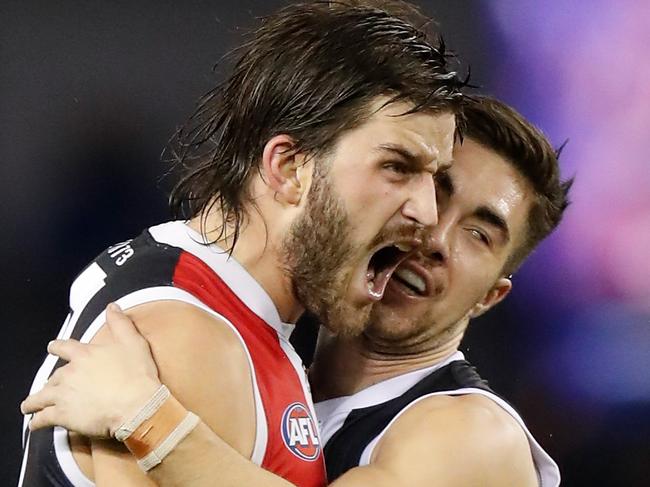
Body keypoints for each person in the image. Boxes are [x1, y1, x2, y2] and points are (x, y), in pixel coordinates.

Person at [17, 2, 465, 486]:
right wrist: (155, 424)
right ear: (289, 168)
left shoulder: (218, 302)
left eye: (434, 178)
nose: (428, 213)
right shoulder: (188, 341)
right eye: (397, 166)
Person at [22, 96, 572, 486]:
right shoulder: (272, 360)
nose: (431, 233)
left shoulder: (470, 433)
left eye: (478, 234)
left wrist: (145, 417)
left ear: (490, 297)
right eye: (429, 190)